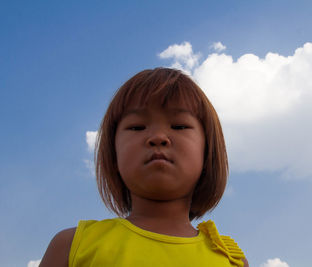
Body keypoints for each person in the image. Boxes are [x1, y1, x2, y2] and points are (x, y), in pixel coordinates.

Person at [40, 68, 248, 267]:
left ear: (207, 151)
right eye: (137, 127)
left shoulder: (231, 261)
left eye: (179, 126)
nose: (158, 137)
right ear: (114, 155)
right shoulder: (72, 247)